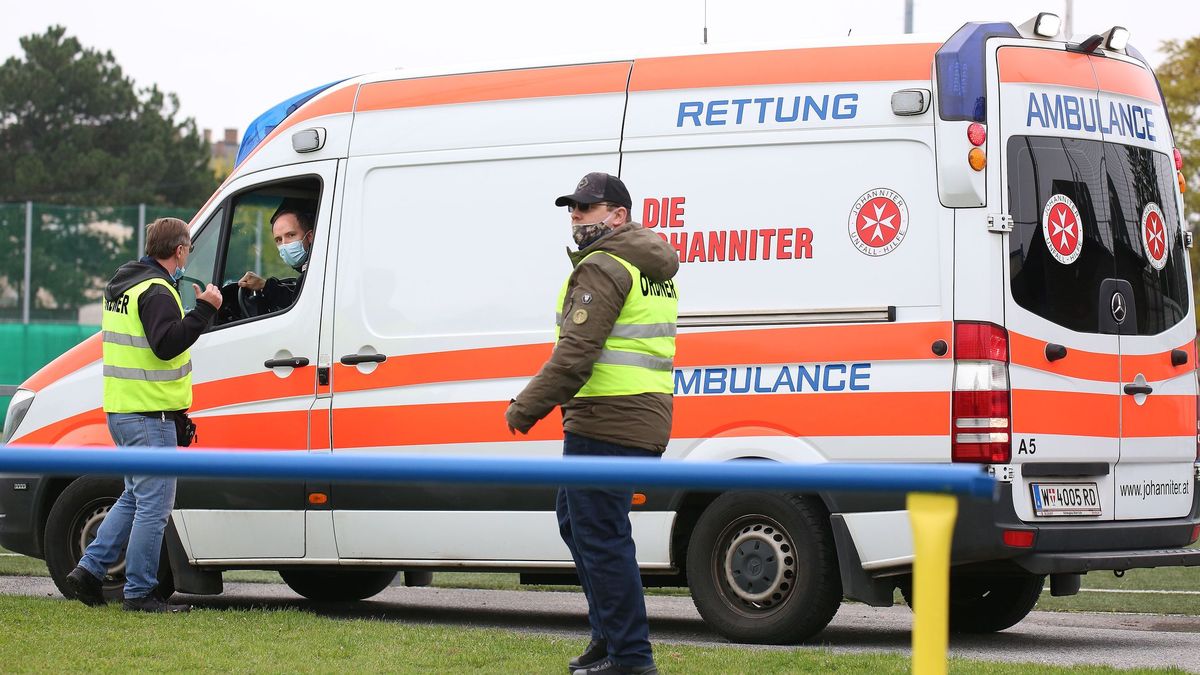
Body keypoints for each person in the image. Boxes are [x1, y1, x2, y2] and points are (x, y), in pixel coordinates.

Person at [506, 172, 679, 675]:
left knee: (600, 535)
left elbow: (576, 354)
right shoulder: (650, 265)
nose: (576, 217)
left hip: (608, 419)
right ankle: (608, 640)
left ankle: (630, 657)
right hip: (635, 417)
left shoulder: (605, 265)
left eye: (587, 208)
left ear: (617, 215)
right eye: (573, 209)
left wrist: (525, 406)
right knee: (578, 523)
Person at [64, 217, 222, 613]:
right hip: (150, 415)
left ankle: (88, 570)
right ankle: (139, 594)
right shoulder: (156, 290)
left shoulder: (125, 282)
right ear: (180, 250)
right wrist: (204, 310)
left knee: (135, 497)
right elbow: (166, 344)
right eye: (188, 249)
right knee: (155, 505)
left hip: (123, 408)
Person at [230, 204, 315, 315]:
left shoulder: (316, 273)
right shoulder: (311, 271)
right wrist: (265, 285)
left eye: (290, 235)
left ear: (309, 236)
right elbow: (293, 298)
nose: (284, 244)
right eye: (278, 240)